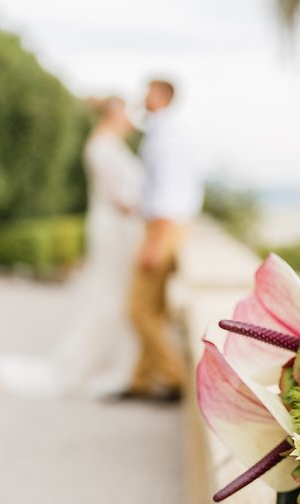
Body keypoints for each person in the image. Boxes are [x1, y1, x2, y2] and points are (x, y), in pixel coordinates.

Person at [0, 97, 145, 398]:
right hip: (114, 228)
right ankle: (99, 365)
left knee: (116, 292)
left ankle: (121, 363)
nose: (131, 120)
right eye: (128, 113)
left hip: (118, 226)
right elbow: (120, 199)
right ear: (114, 113)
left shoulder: (109, 145)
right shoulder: (101, 146)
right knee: (111, 293)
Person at [124, 79, 203, 401]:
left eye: (149, 91)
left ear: (163, 96)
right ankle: (141, 380)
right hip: (167, 225)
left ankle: (175, 379)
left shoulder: (166, 136)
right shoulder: (164, 132)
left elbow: (168, 194)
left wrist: (156, 242)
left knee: (139, 308)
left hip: (164, 226)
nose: (143, 96)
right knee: (153, 306)